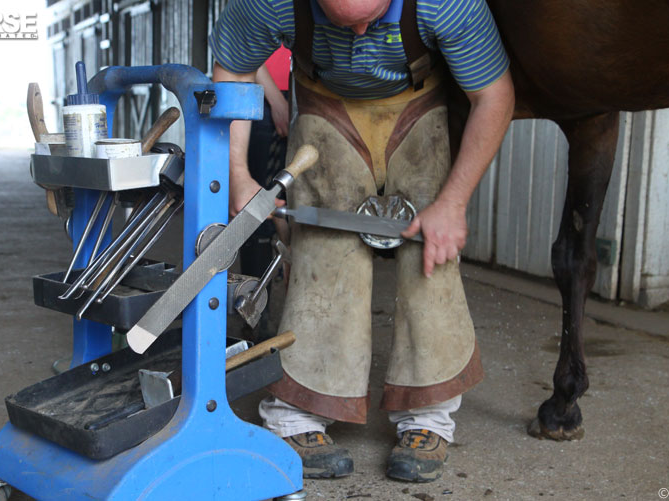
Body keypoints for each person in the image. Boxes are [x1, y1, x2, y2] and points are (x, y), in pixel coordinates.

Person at [210, 0, 514, 483]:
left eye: (371, 18)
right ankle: (296, 414)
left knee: (431, 252)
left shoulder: (448, 4)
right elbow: (233, 70)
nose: (360, 34)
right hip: (322, 101)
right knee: (323, 253)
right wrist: (238, 174)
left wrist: (453, 203)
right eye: (345, 23)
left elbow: (494, 96)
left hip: (418, 101)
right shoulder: (267, 2)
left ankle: (428, 418)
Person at [239, 49, 291, 341]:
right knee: (260, 214)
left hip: (305, 96)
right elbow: (247, 40)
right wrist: (276, 100)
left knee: (291, 214)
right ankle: (256, 318)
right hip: (265, 100)